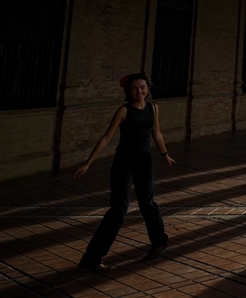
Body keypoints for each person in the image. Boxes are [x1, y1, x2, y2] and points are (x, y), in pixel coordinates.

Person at [73, 72, 174, 272]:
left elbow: (156, 132)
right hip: (124, 162)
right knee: (119, 208)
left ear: (148, 88)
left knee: (148, 204)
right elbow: (106, 137)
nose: (140, 91)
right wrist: (88, 163)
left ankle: (159, 241)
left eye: (143, 87)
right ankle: (92, 258)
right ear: (128, 91)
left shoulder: (153, 108)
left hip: (145, 161)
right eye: (135, 88)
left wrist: (164, 153)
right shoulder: (123, 111)